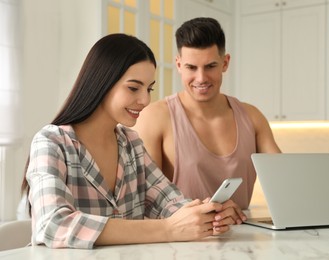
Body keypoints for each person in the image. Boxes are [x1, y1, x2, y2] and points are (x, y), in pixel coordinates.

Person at [20, 34, 246, 249]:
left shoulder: (131, 144)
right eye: (133, 88)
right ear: (102, 82)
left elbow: (169, 201)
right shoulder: (52, 142)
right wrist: (167, 229)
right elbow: (53, 224)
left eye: (149, 89)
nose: (145, 99)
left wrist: (206, 212)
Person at [133, 17, 329, 210]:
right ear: (179, 65)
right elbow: (145, 200)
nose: (201, 78)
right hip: (180, 245)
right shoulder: (155, 117)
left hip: (242, 240)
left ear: (225, 63)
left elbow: (285, 180)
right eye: (192, 67)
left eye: (210, 66)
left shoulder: (251, 117)